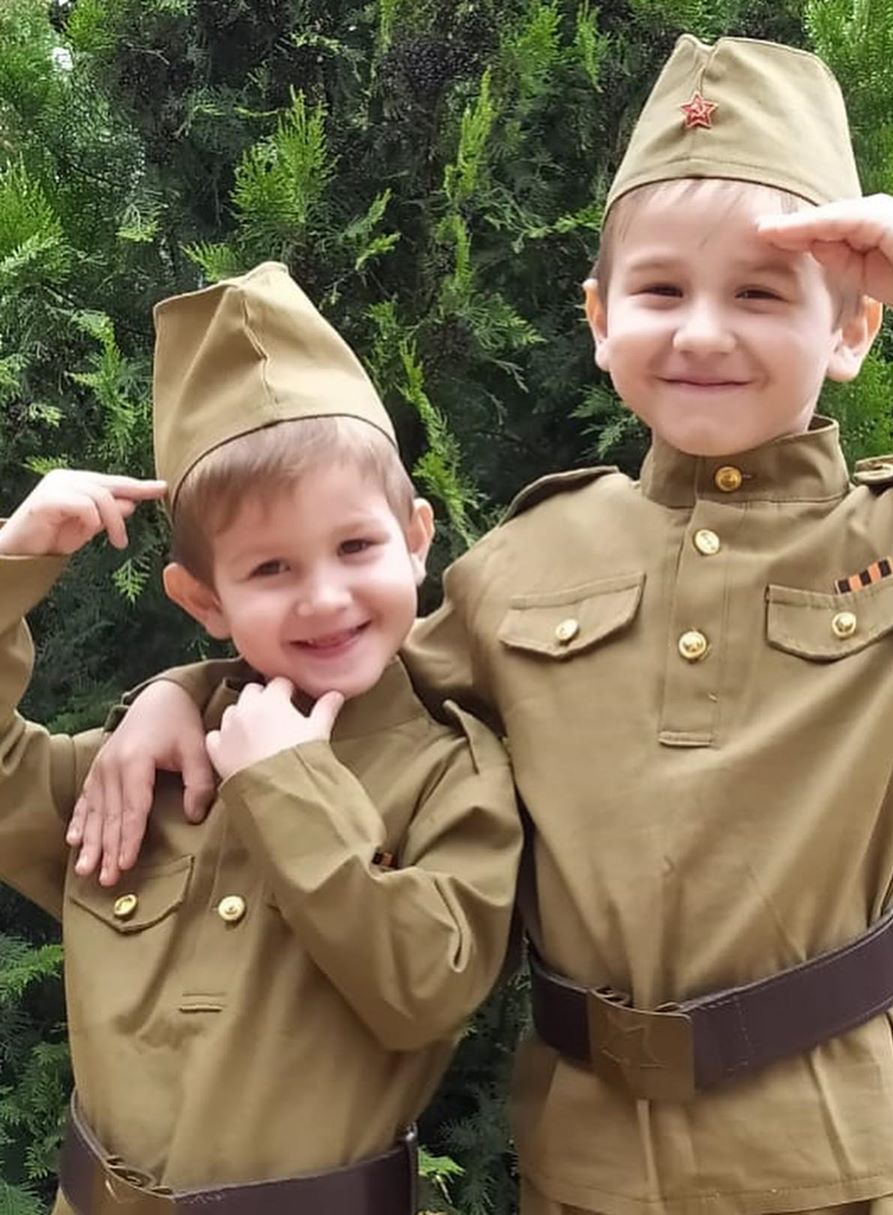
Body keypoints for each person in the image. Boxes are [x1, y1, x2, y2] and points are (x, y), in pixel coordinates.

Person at [74, 35, 893, 1215]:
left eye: (760, 293)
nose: (701, 331)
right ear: (600, 320)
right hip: (588, 1166)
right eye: (660, 291)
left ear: (853, 330)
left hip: (841, 1159)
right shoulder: (523, 565)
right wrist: (176, 697)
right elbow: (350, 677)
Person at [0, 262, 521, 1214]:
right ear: (204, 600)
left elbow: (426, 988)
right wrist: (14, 562)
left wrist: (289, 783)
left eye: (355, 546)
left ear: (416, 537)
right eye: (270, 568)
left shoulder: (452, 776)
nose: (323, 596)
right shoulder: (148, 764)